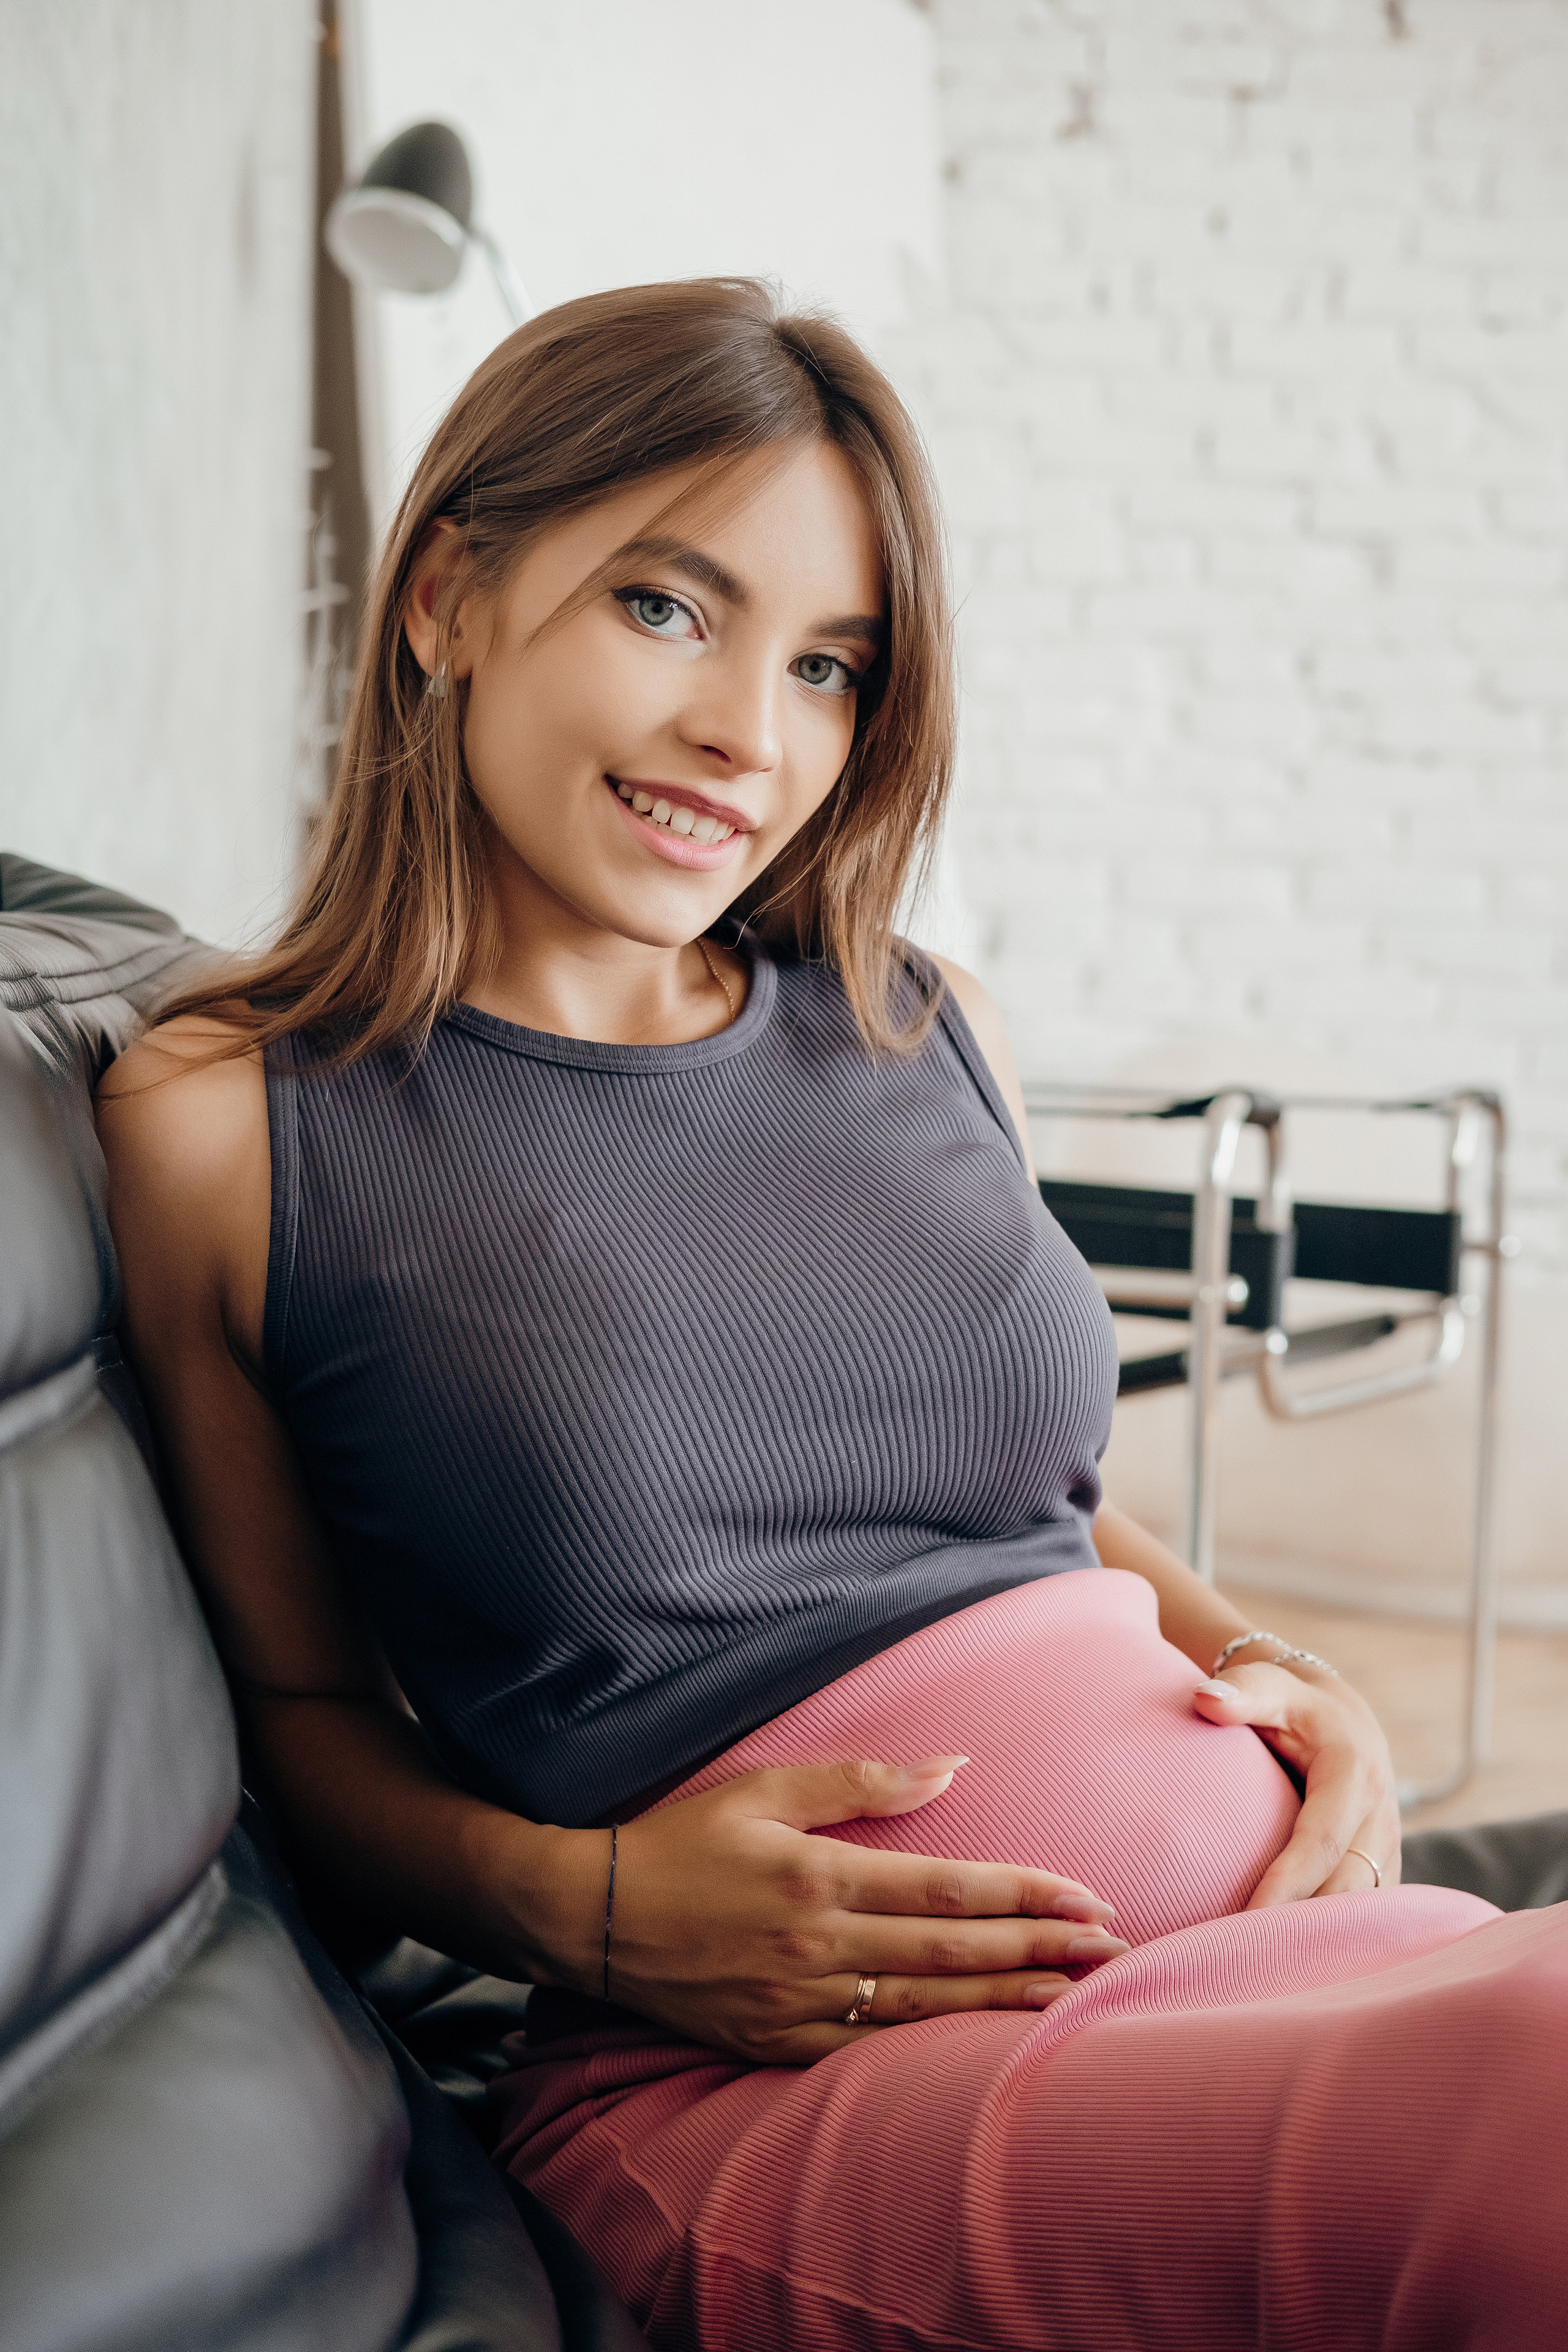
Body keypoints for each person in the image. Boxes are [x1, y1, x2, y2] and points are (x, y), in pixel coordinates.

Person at [98, 279, 1564, 2351]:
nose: (750, 737)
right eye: (669, 610)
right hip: (766, 2088)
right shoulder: (237, 1121)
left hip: (1292, 1958)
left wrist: (1280, 1671)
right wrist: (589, 1910)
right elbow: (302, 1722)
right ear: (445, 596)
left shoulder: (921, 1024)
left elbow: (1038, 1512)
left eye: (829, 666)